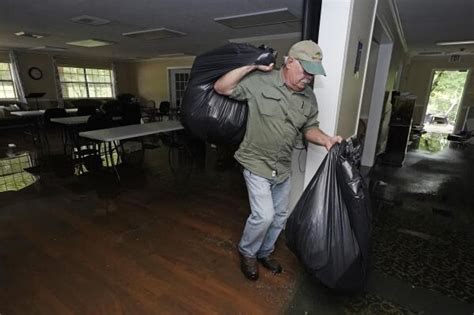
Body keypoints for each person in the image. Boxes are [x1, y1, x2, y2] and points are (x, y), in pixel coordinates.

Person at [214, 40, 343, 281]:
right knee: (264, 216)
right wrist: (252, 66)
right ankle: (247, 252)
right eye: (306, 70)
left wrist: (325, 139)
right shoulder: (260, 81)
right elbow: (222, 87)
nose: (309, 78)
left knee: (280, 216)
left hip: (282, 167)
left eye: (313, 74)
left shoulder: (309, 98)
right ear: (290, 62)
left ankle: (264, 252)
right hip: (256, 162)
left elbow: (309, 128)